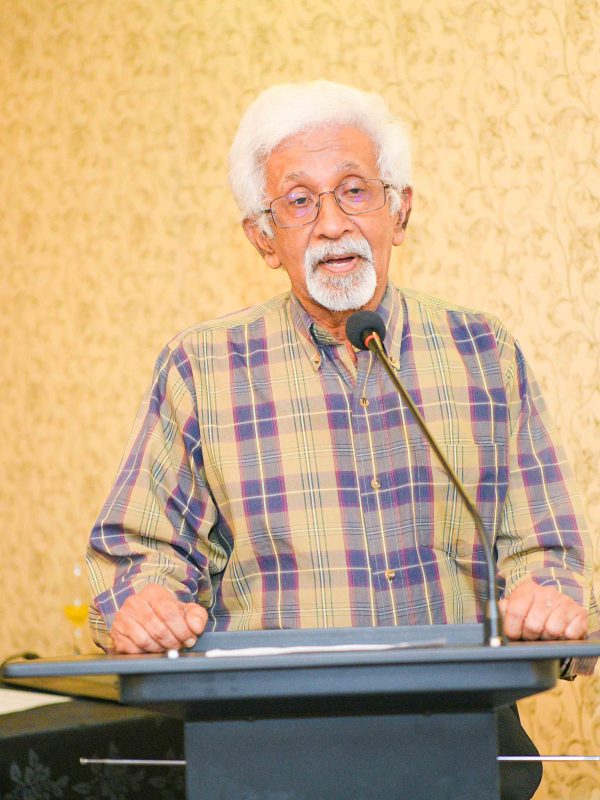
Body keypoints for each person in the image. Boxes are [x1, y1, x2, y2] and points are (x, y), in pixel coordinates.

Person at [86, 80, 597, 797]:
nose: (331, 224)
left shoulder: (485, 351)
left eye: (355, 191)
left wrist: (549, 601)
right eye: (299, 201)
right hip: (267, 758)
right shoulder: (202, 367)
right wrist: (143, 606)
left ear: (400, 209)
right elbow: (139, 552)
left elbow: (545, 550)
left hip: (463, 750)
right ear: (264, 238)